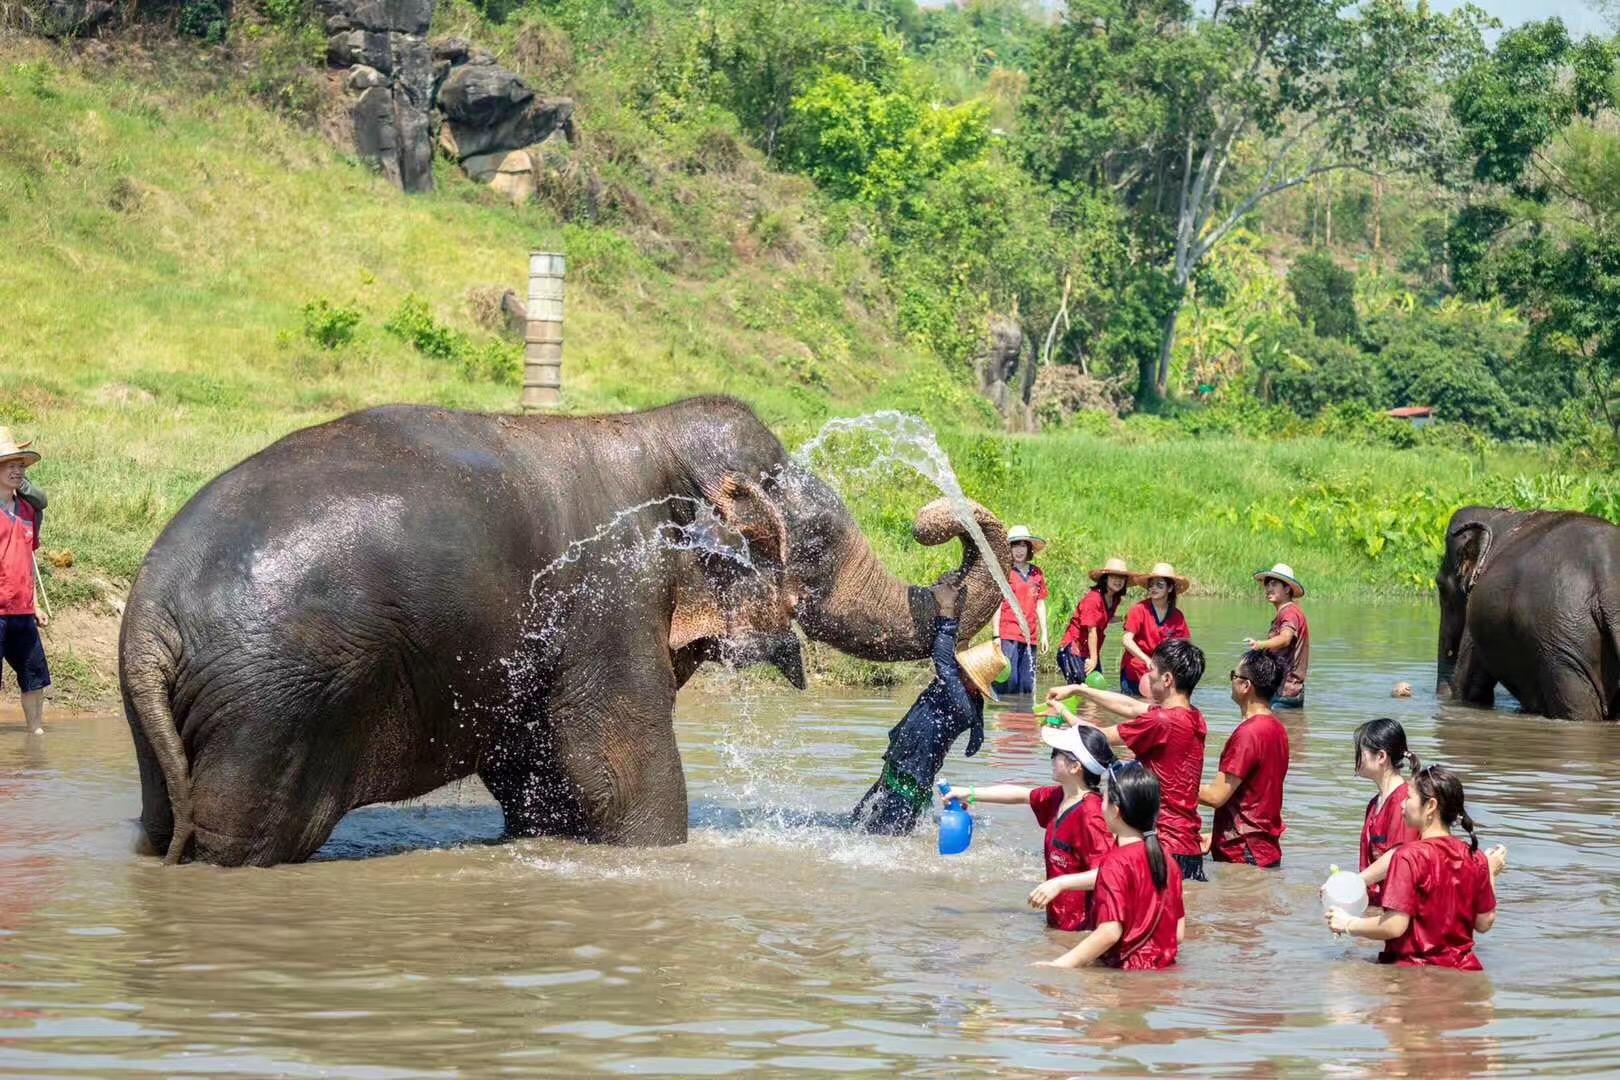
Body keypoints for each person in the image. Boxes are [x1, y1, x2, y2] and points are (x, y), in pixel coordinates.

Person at [1047, 638, 1209, 881]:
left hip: (1162, 843)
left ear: (1167, 679)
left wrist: (1062, 716)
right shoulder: (1193, 716)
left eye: (1152, 669)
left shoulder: (1161, 722)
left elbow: (1097, 739)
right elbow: (1133, 707)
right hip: (1187, 843)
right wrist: (1080, 689)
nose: (1147, 674)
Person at [851, 583, 1005, 834]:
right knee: (859, 822)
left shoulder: (961, 699)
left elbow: (943, 660)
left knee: (882, 837)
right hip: (906, 766)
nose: (958, 669)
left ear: (974, 683)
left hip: (910, 773)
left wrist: (946, 609)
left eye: (964, 670)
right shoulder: (969, 700)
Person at [1327, 764, 1507, 969]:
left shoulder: (1407, 857)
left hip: (1414, 976)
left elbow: (1394, 926)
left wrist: (1348, 923)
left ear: (1430, 806)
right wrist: (1490, 872)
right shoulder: (1476, 857)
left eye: (1409, 797)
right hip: (1465, 971)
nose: (1402, 804)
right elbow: (1484, 923)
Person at [949, 723, 1117, 932]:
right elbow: (1021, 795)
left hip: (1083, 931)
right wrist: (967, 792)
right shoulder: (1061, 797)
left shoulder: (1091, 814)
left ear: (1075, 767)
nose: (1051, 758)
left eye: (1056, 753)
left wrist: (1059, 884)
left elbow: (1108, 873)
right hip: (1060, 923)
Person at [1035, 762, 1186, 970]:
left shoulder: (1114, 863)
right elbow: (1177, 934)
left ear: (1115, 810)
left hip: (1123, 976)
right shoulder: (1168, 860)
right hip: (1164, 975)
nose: (1099, 804)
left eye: (1104, 799)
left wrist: (1059, 964)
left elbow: (1109, 932)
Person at [1199, 650, 1290, 868]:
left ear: (1246, 685)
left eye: (1234, 675)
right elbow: (1257, 796)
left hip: (1243, 853)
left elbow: (1215, 796)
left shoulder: (1248, 733)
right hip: (1263, 848)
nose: (1231, 681)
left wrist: (1163, 783)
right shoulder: (1277, 728)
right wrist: (1215, 836)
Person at [0, 430, 49, 736]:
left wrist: (36, 603)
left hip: (23, 612)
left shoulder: (29, 510)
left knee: (35, 677)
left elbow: (27, 560)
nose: (17, 470)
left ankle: (36, 733)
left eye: (21, 465)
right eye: (9, 465)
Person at [1351, 718, 1423, 905]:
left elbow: (1400, 854)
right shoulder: (1375, 804)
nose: (1357, 757)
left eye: (1361, 751)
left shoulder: (1404, 801)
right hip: (1376, 903)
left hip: (1396, 908)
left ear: (1381, 756)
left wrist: (1354, 882)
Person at [991, 525, 1048, 697]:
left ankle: (1023, 721)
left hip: (1030, 636)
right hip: (1008, 633)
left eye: (1023, 545)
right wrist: (996, 636)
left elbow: (1040, 604)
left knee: (1026, 685)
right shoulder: (1004, 572)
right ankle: (1002, 718)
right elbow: (997, 604)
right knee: (1008, 680)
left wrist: (1044, 633)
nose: (1019, 550)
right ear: (1009, 549)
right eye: (1015, 545)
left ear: (1029, 548)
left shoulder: (1037, 573)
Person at [1119, 562, 1190, 698]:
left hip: (1162, 675)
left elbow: (1184, 646)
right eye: (1151, 584)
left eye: (1159, 585)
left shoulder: (1177, 616)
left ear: (1169, 588)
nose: (1153, 588)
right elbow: (1126, 640)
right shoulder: (1139, 610)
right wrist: (1146, 660)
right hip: (1135, 670)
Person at [1057, 557, 1131, 685]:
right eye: (1114, 576)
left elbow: (1103, 618)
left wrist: (1124, 619)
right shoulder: (1093, 599)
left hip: (1089, 651)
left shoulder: (1114, 599)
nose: (1118, 581)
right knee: (1081, 689)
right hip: (1074, 649)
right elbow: (1092, 631)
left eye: (1122, 578)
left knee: (1096, 690)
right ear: (1105, 578)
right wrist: (1094, 659)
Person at [1245, 563, 1310, 708]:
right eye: (1267, 585)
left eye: (1274, 584)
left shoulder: (1289, 613)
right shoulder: (1288, 612)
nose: (1268, 589)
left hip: (1285, 691)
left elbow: (1286, 638)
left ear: (1287, 588)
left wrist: (1260, 644)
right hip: (1288, 690)